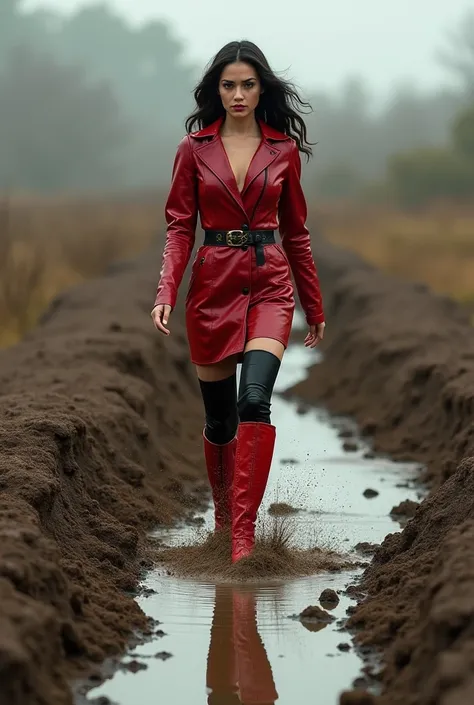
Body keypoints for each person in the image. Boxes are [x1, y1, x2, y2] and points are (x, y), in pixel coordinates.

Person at [151, 40, 325, 564]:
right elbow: (180, 227)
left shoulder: (283, 152)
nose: (239, 94)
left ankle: (244, 540)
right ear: (216, 90)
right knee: (221, 421)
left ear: (261, 88)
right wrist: (166, 290)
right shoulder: (192, 149)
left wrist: (312, 306)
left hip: (271, 284)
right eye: (228, 85)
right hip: (212, 289)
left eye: (248, 84)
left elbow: (297, 233)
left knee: (255, 400)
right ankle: (225, 520)